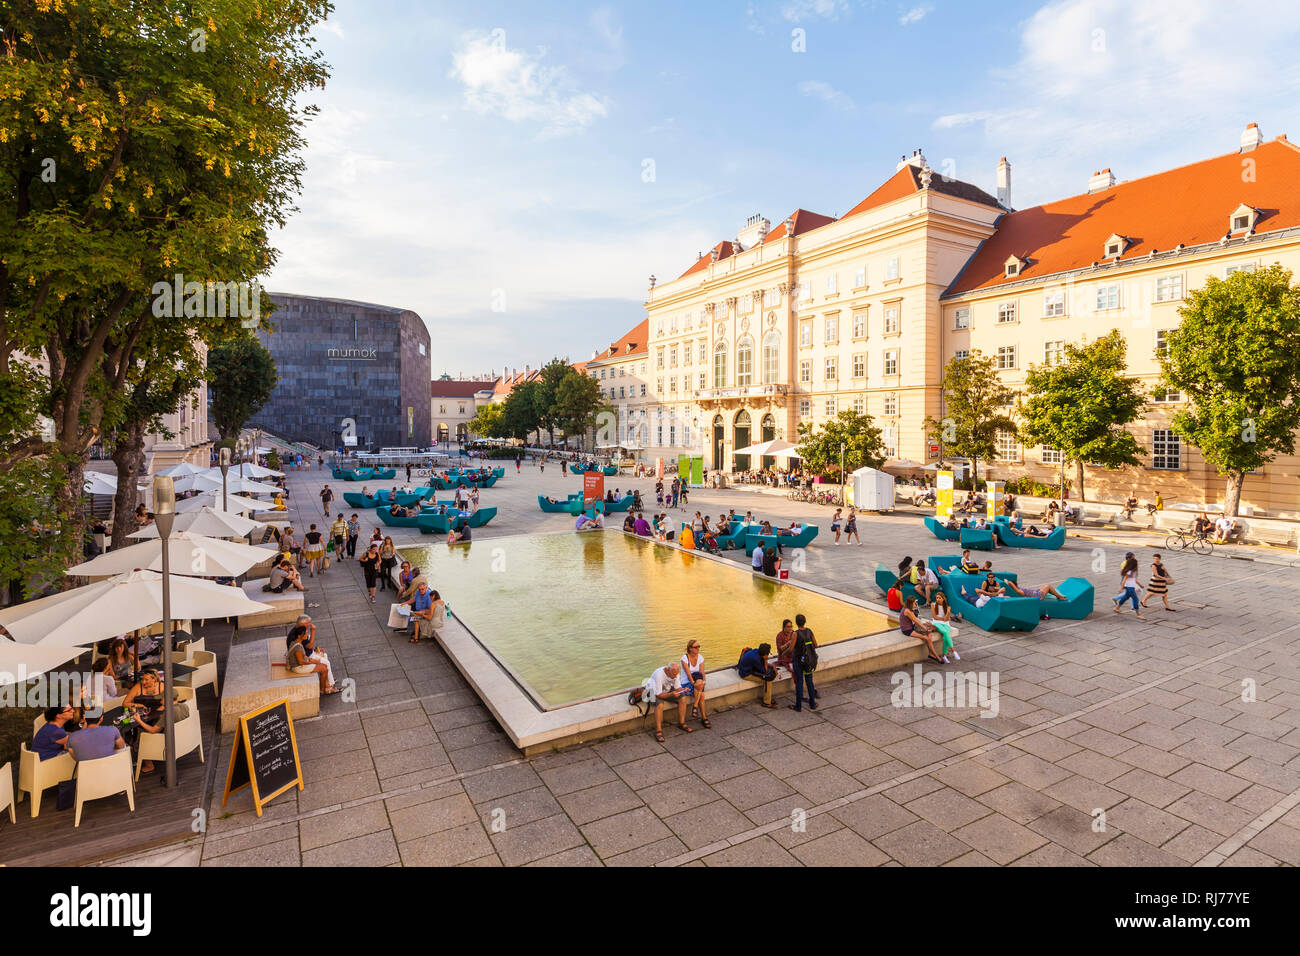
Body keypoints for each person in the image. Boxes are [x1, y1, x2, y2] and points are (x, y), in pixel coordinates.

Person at [646, 662, 691, 741]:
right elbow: (659, 694)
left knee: (683, 698)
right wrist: (671, 695)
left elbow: (677, 687)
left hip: (666, 690)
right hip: (653, 692)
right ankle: (658, 731)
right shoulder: (658, 675)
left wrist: (684, 690)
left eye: (676, 674)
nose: (675, 676)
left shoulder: (675, 674)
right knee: (660, 704)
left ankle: (682, 723)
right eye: (673, 674)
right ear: (667, 670)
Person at [287, 628, 340, 695]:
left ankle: (326, 687)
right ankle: (322, 690)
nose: (307, 635)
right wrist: (313, 662)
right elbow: (300, 662)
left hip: (301, 664)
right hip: (298, 667)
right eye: (305, 633)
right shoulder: (298, 647)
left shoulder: (296, 642)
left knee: (325, 666)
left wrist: (310, 659)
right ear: (299, 636)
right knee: (324, 669)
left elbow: (302, 656)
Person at [899, 595, 944, 663]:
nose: (915, 605)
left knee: (930, 632)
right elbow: (917, 622)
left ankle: (931, 654)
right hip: (907, 630)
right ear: (910, 604)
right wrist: (926, 629)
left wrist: (926, 627)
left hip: (912, 626)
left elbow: (917, 620)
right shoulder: (907, 611)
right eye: (914, 603)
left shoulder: (908, 608)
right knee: (926, 637)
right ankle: (936, 656)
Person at [788, 615, 818, 711]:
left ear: (796, 623)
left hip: (798, 661)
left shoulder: (795, 634)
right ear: (805, 622)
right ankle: (812, 704)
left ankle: (798, 706)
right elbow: (816, 645)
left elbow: (791, 649)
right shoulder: (809, 631)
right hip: (808, 661)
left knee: (799, 683)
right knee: (809, 681)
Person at [737, 643, 777, 709]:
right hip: (746, 674)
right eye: (768, 654)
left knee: (768, 676)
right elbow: (765, 671)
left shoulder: (756, 651)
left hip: (750, 669)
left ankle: (767, 698)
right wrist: (766, 660)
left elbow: (763, 665)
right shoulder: (756, 659)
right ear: (765, 654)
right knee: (768, 680)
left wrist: (771, 665)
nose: (768, 655)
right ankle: (766, 702)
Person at [680, 641, 710, 728]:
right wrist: (694, 683)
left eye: (698, 646)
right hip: (687, 682)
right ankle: (704, 718)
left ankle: (695, 707)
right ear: (690, 648)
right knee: (702, 696)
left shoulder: (700, 657)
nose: (698, 648)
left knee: (700, 683)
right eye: (696, 647)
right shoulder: (684, 658)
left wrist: (704, 681)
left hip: (698, 681)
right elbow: (689, 674)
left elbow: (702, 672)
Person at [1112, 553, 1146, 620]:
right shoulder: (1129, 572)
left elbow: (1134, 580)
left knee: (1125, 597)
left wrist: (1140, 585)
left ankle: (1117, 608)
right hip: (1129, 587)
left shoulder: (1134, 571)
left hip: (1131, 587)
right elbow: (1124, 580)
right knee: (1135, 599)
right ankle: (1138, 614)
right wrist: (1121, 588)